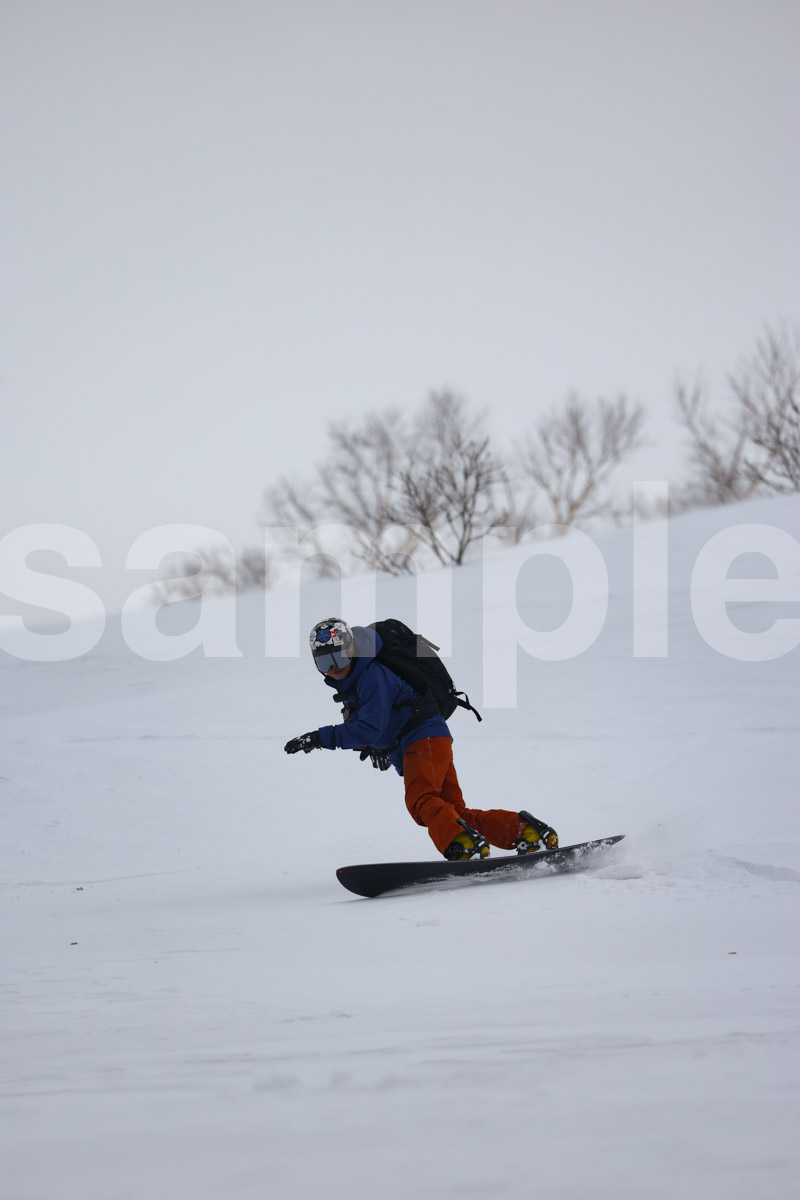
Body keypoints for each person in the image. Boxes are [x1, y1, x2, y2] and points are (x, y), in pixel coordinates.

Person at [284, 618, 559, 861]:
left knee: (420, 800)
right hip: (431, 739)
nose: (333, 668)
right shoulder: (357, 681)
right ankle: (525, 832)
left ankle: (462, 845)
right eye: (324, 662)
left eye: (339, 658)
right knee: (454, 812)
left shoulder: (370, 675)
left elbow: (370, 727)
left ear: (352, 650)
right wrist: (377, 746)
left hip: (422, 739)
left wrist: (321, 737)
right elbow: (379, 723)